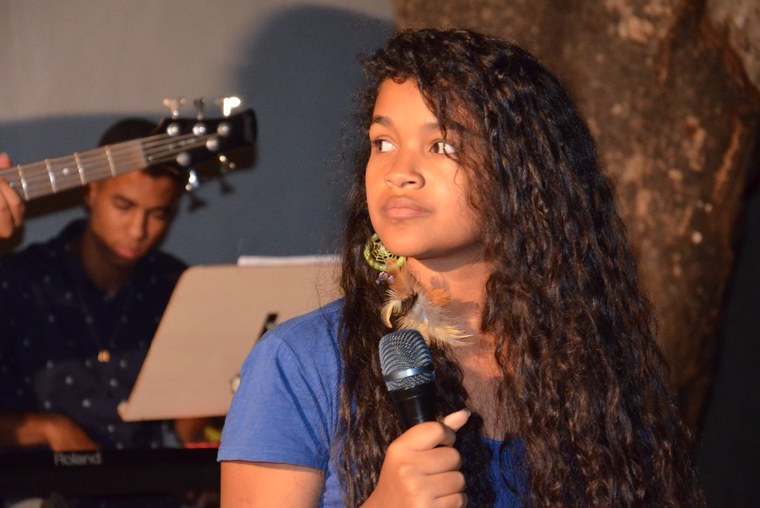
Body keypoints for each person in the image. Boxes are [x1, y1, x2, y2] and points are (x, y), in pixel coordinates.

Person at [218, 28, 704, 507]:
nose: (399, 172)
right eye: (383, 143)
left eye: (442, 146)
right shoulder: (301, 362)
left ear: (522, 173)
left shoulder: (587, 357)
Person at [0, 119, 209, 505]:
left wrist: (198, 442)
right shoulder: (17, 281)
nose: (138, 230)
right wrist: (49, 429)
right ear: (89, 190)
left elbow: (189, 413)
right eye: (123, 206)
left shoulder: (175, 283)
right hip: (39, 493)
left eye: (158, 214)